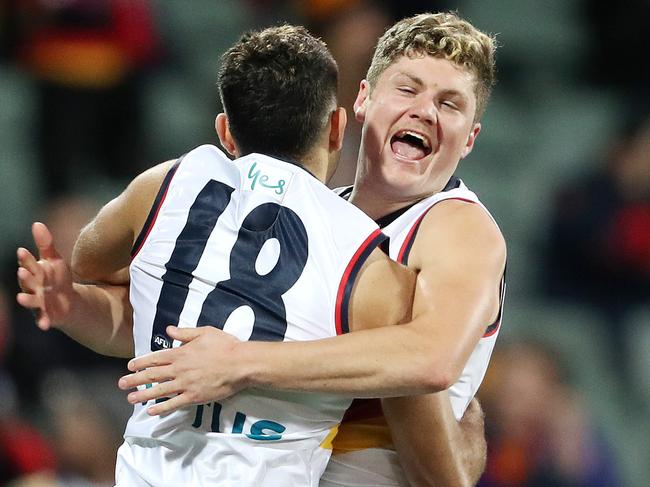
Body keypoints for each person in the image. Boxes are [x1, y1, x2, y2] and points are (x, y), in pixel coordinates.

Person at [17, 23, 486, 486]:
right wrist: (75, 306)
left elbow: (427, 364)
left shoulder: (455, 227)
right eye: (408, 90)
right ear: (350, 112)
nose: (424, 111)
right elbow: (160, 322)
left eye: (449, 103)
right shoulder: (353, 249)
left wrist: (239, 361)